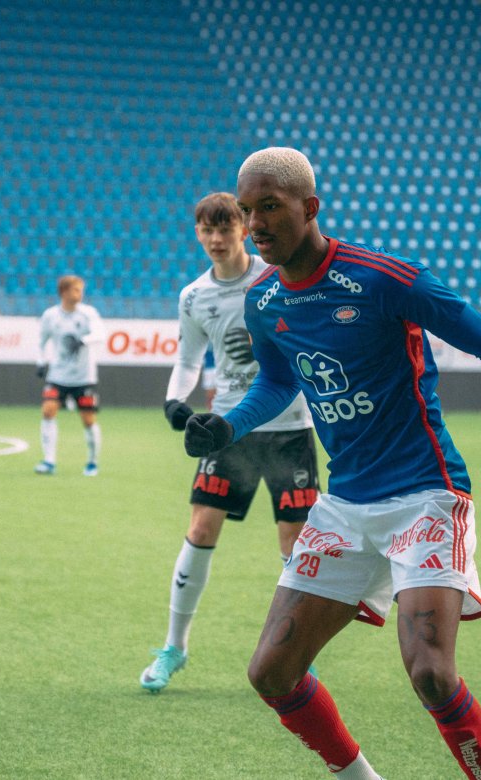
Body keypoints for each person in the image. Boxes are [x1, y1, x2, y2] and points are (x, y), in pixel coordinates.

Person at [182, 147, 481, 780]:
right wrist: (229, 424)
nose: (254, 225)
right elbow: (278, 382)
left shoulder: (384, 278)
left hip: (426, 496)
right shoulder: (264, 300)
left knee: (432, 674)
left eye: (270, 207)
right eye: (248, 210)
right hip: (344, 506)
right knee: (271, 673)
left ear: (311, 207)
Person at [141, 192, 321, 693]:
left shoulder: (276, 277)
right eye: (207, 230)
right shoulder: (193, 297)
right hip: (228, 429)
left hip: (289, 427)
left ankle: (296, 655)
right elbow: (188, 359)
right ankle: (174, 647)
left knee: (295, 542)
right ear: (198, 233)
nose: (217, 239)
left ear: (244, 229)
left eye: (226, 229)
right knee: (201, 528)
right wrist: (174, 400)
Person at [34, 275, 104, 476]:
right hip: (58, 375)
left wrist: (83, 341)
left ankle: (92, 462)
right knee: (48, 411)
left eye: (81, 290)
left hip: (84, 377)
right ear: (64, 292)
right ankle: (49, 461)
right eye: (76, 290)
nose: (80, 294)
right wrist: (41, 362)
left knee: (88, 420)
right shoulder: (50, 316)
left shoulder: (88, 313)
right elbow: (41, 341)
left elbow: (100, 334)